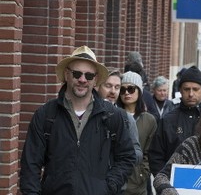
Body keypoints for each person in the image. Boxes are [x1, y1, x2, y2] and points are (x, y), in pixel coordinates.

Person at [20, 46, 136, 195]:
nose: (82, 80)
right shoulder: (46, 115)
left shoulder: (112, 116)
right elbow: (30, 165)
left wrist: (108, 187)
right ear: (67, 75)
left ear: (95, 80)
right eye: (77, 74)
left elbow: (127, 157)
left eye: (88, 76)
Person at [149, 66, 201, 177]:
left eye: (195, 89)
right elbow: (155, 156)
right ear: (180, 90)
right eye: (186, 89)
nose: (190, 94)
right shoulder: (168, 120)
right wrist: (164, 183)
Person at [117, 71, 157, 195]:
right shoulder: (114, 115)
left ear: (139, 91)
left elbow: (150, 152)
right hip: (115, 182)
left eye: (131, 89)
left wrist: (142, 174)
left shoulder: (149, 120)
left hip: (138, 186)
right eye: (122, 89)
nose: (126, 93)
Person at [97, 69, 143, 165]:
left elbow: (138, 154)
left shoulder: (126, 118)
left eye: (117, 87)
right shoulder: (89, 114)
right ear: (98, 87)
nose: (113, 91)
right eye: (108, 86)